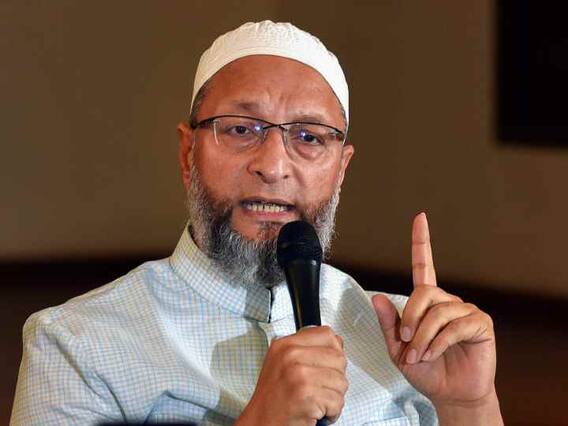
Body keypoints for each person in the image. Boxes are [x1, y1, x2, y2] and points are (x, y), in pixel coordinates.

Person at [11, 21, 503, 425]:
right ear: (187, 154)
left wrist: (468, 406)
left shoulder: (407, 340)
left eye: (309, 137)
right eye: (241, 129)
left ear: (341, 169)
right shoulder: (77, 344)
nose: (273, 165)